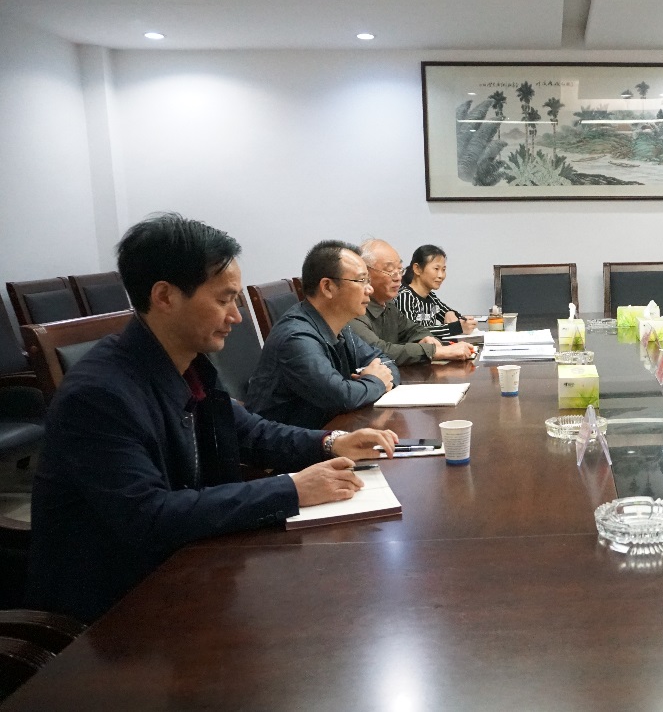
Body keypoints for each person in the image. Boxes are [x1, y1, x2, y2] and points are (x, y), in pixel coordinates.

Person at [27, 213, 399, 623]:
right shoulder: (99, 395)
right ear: (165, 297)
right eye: (224, 300)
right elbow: (149, 517)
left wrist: (330, 443)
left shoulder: (188, 364)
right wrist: (291, 489)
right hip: (118, 609)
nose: (236, 316)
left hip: (190, 565)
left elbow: (248, 431)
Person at [246, 240, 401, 428]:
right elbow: (342, 397)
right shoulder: (296, 338)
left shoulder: (339, 325)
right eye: (361, 281)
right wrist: (376, 381)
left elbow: (385, 362)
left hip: (326, 431)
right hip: (288, 442)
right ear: (327, 287)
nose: (370, 289)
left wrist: (373, 380)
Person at [352, 239, 475, 365]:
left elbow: (413, 329)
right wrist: (434, 351)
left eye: (400, 270)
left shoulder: (388, 305)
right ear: (365, 273)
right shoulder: (354, 309)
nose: (398, 277)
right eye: (390, 270)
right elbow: (379, 351)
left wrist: (426, 338)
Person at [396, 244, 477, 338]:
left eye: (443, 270)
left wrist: (449, 313)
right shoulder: (404, 297)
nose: (441, 275)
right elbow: (412, 332)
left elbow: (451, 315)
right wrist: (457, 328)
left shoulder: (430, 297)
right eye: (436, 269)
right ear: (417, 269)